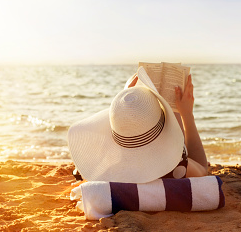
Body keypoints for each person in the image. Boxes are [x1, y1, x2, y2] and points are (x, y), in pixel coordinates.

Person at [67, 66, 207, 184]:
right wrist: (187, 114)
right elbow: (202, 170)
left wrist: (126, 98)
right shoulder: (176, 166)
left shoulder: (104, 169)